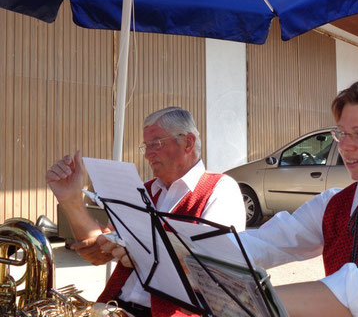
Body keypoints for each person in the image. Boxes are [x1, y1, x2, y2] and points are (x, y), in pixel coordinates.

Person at [46, 106, 246, 317]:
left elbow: (215, 274)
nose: (148, 155)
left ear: (188, 142)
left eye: (156, 144)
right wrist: (71, 199)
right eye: (146, 146)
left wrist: (140, 253)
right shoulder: (144, 190)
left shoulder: (220, 189)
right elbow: (97, 253)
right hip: (114, 306)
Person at [241, 79, 358, 317]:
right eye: (342, 133)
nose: (345, 146)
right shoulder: (332, 204)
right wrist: (191, 252)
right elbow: (266, 242)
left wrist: (255, 299)